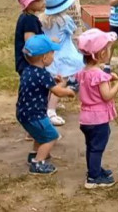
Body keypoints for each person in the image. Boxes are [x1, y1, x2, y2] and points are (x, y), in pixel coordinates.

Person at [76, 28, 118, 188]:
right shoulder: (98, 75)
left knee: (91, 146)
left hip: (86, 118)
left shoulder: (84, 72)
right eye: (106, 49)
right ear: (99, 54)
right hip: (98, 118)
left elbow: (94, 89)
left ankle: (94, 169)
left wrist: (109, 78)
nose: (108, 51)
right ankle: (93, 178)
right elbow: (106, 95)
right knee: (97, 147)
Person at [16, 35, 76, 175]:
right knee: (51, 136)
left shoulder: (28, 70)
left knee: (40, 134)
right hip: (35, 115)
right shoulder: (43, 75)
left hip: (24, 113)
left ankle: (34, 155)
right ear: (44, 58)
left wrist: (55, 82)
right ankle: (38, 163)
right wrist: (69, 91)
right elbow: (58, 92)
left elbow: (46, 85)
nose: (53, 56)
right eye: (52, 53)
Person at [41, 0, 85, 126]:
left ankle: (48, 104)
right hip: (64, 54)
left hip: (49, 55)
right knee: (61, 82)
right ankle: (51, 110)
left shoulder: (41, 19)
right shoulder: (65, 20)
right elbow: (71, 32)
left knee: (50, 83)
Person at [14, 0, 48, 76]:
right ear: (28, 3)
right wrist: (48, 43)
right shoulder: (29, 20)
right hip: (29, 65)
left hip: (29, 64)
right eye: (39, 0)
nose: (43, 2)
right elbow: (31, 44)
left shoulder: (27, 17)